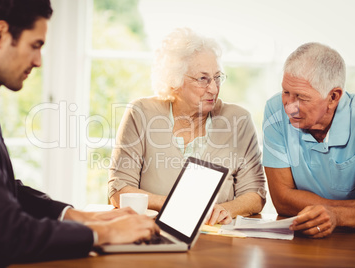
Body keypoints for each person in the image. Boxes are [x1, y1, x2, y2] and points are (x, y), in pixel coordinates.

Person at [0, 0, 158, 266]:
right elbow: (6, 232)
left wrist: (77, 216)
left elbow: (3, 191)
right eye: (35, 45)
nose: (38, 61)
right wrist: (105, 232)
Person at [108, 28, 266, 226]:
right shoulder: (141, 113)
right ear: (175, 81)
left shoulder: (239, 120)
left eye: (217, 77)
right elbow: (119, 189)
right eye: (203, 79)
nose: (214, 88)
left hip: (218, 239)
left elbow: (255, 194)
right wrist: (174, 205)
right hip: (153, 233)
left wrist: (226, 210)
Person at [262, 42, 355, 238]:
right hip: (302, 234)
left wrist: (338, 215)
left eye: (301, 97)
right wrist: (354, 209)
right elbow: (282, 199)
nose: (289, 107)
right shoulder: (275, 110)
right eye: (286, 92)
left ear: (333, 97)